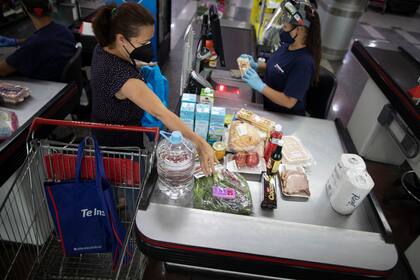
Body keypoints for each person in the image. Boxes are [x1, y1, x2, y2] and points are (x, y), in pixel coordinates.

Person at [90, 3, 216, 175]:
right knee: (127, 184)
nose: (148, 46)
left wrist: (139, 65)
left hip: (103, 128)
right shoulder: (123, 78)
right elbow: (161, 113)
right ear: (121, 39)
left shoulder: (103, 48)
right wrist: (200, 143)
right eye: (143, 42)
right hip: (119, 145)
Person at [241, 0, 321, 116]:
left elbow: (289, 102)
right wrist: (257, 65)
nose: (282, 30)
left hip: (284, 116)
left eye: (285, 26)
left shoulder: (304, 62)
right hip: (266, 106)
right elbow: (277, 68)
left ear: (299, 30)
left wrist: (261, 86)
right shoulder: (287, 46)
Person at [0, 0, 76, 80]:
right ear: (50, 7)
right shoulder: (65, 30)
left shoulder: (34, 45)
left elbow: (2, 70)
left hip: (42, 87)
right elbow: (44, 40)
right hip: (63, 85)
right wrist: (18, 42)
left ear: (25, 10)